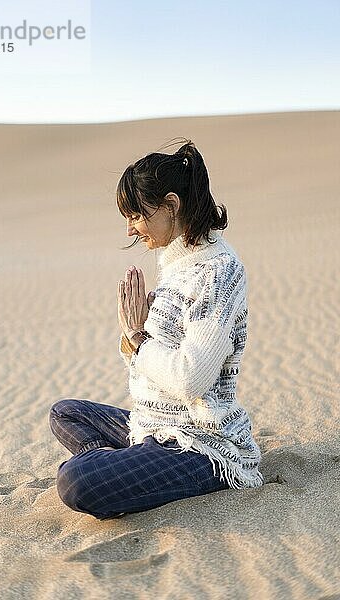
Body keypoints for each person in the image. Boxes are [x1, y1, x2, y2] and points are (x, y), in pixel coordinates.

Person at [49, 138, 264, 521]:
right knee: (65, 413)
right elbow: (151, 360)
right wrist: (141, 334)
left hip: (200, 442)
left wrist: (137, 338)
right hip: (155, 423)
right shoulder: (177, 262)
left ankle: (127, 470)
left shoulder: (217, 272)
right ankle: (131, 466)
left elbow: (190, 379)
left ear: (171, 205)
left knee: (75, 482)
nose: (131, 229)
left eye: (136, 215)